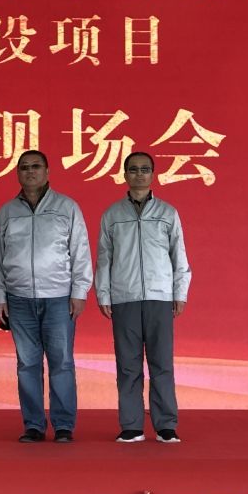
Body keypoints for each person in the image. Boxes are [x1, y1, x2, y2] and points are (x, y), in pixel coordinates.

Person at [0, 149, 92, 443]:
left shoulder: (66, 207)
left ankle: (63, 425)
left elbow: (80, 251)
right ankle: (33, 425)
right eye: (24, 167)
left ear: (47, 172)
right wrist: (0, 296)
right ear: (17, 174)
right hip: (19, 298)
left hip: (59, 297)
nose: (30, 171)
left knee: (61, 362)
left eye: (36, 166)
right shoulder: (7, 211)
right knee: (27, 364)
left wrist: (79, 291)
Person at [96, 151, 191, 444]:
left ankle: (166, 425)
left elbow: (179, 255)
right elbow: (104, 258)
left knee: (162, 363)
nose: (139, 174)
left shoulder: (167, 213)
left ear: (153, 174)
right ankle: (132, 426)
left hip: (159, 297)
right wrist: (103, 293)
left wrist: (180, 292)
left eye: (145, 169)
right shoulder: (112, 215)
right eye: (134, 169)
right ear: (125, 174)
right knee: (128, 365)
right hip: (124, 297)